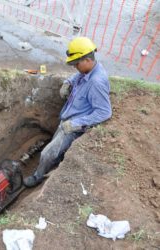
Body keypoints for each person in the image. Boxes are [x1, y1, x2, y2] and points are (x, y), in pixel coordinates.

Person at [24, 37, 112, 188]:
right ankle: (57, 158)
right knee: (54, 143)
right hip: (67, 118)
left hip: (74, 126)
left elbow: (104, 112)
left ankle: (38, 176)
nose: (74, 67)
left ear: (87, 59)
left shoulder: (96, 82)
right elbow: (79, 75)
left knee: (47, 154)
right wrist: (69, 82)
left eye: (76, 63)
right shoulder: (89, 69)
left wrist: (74, 124)